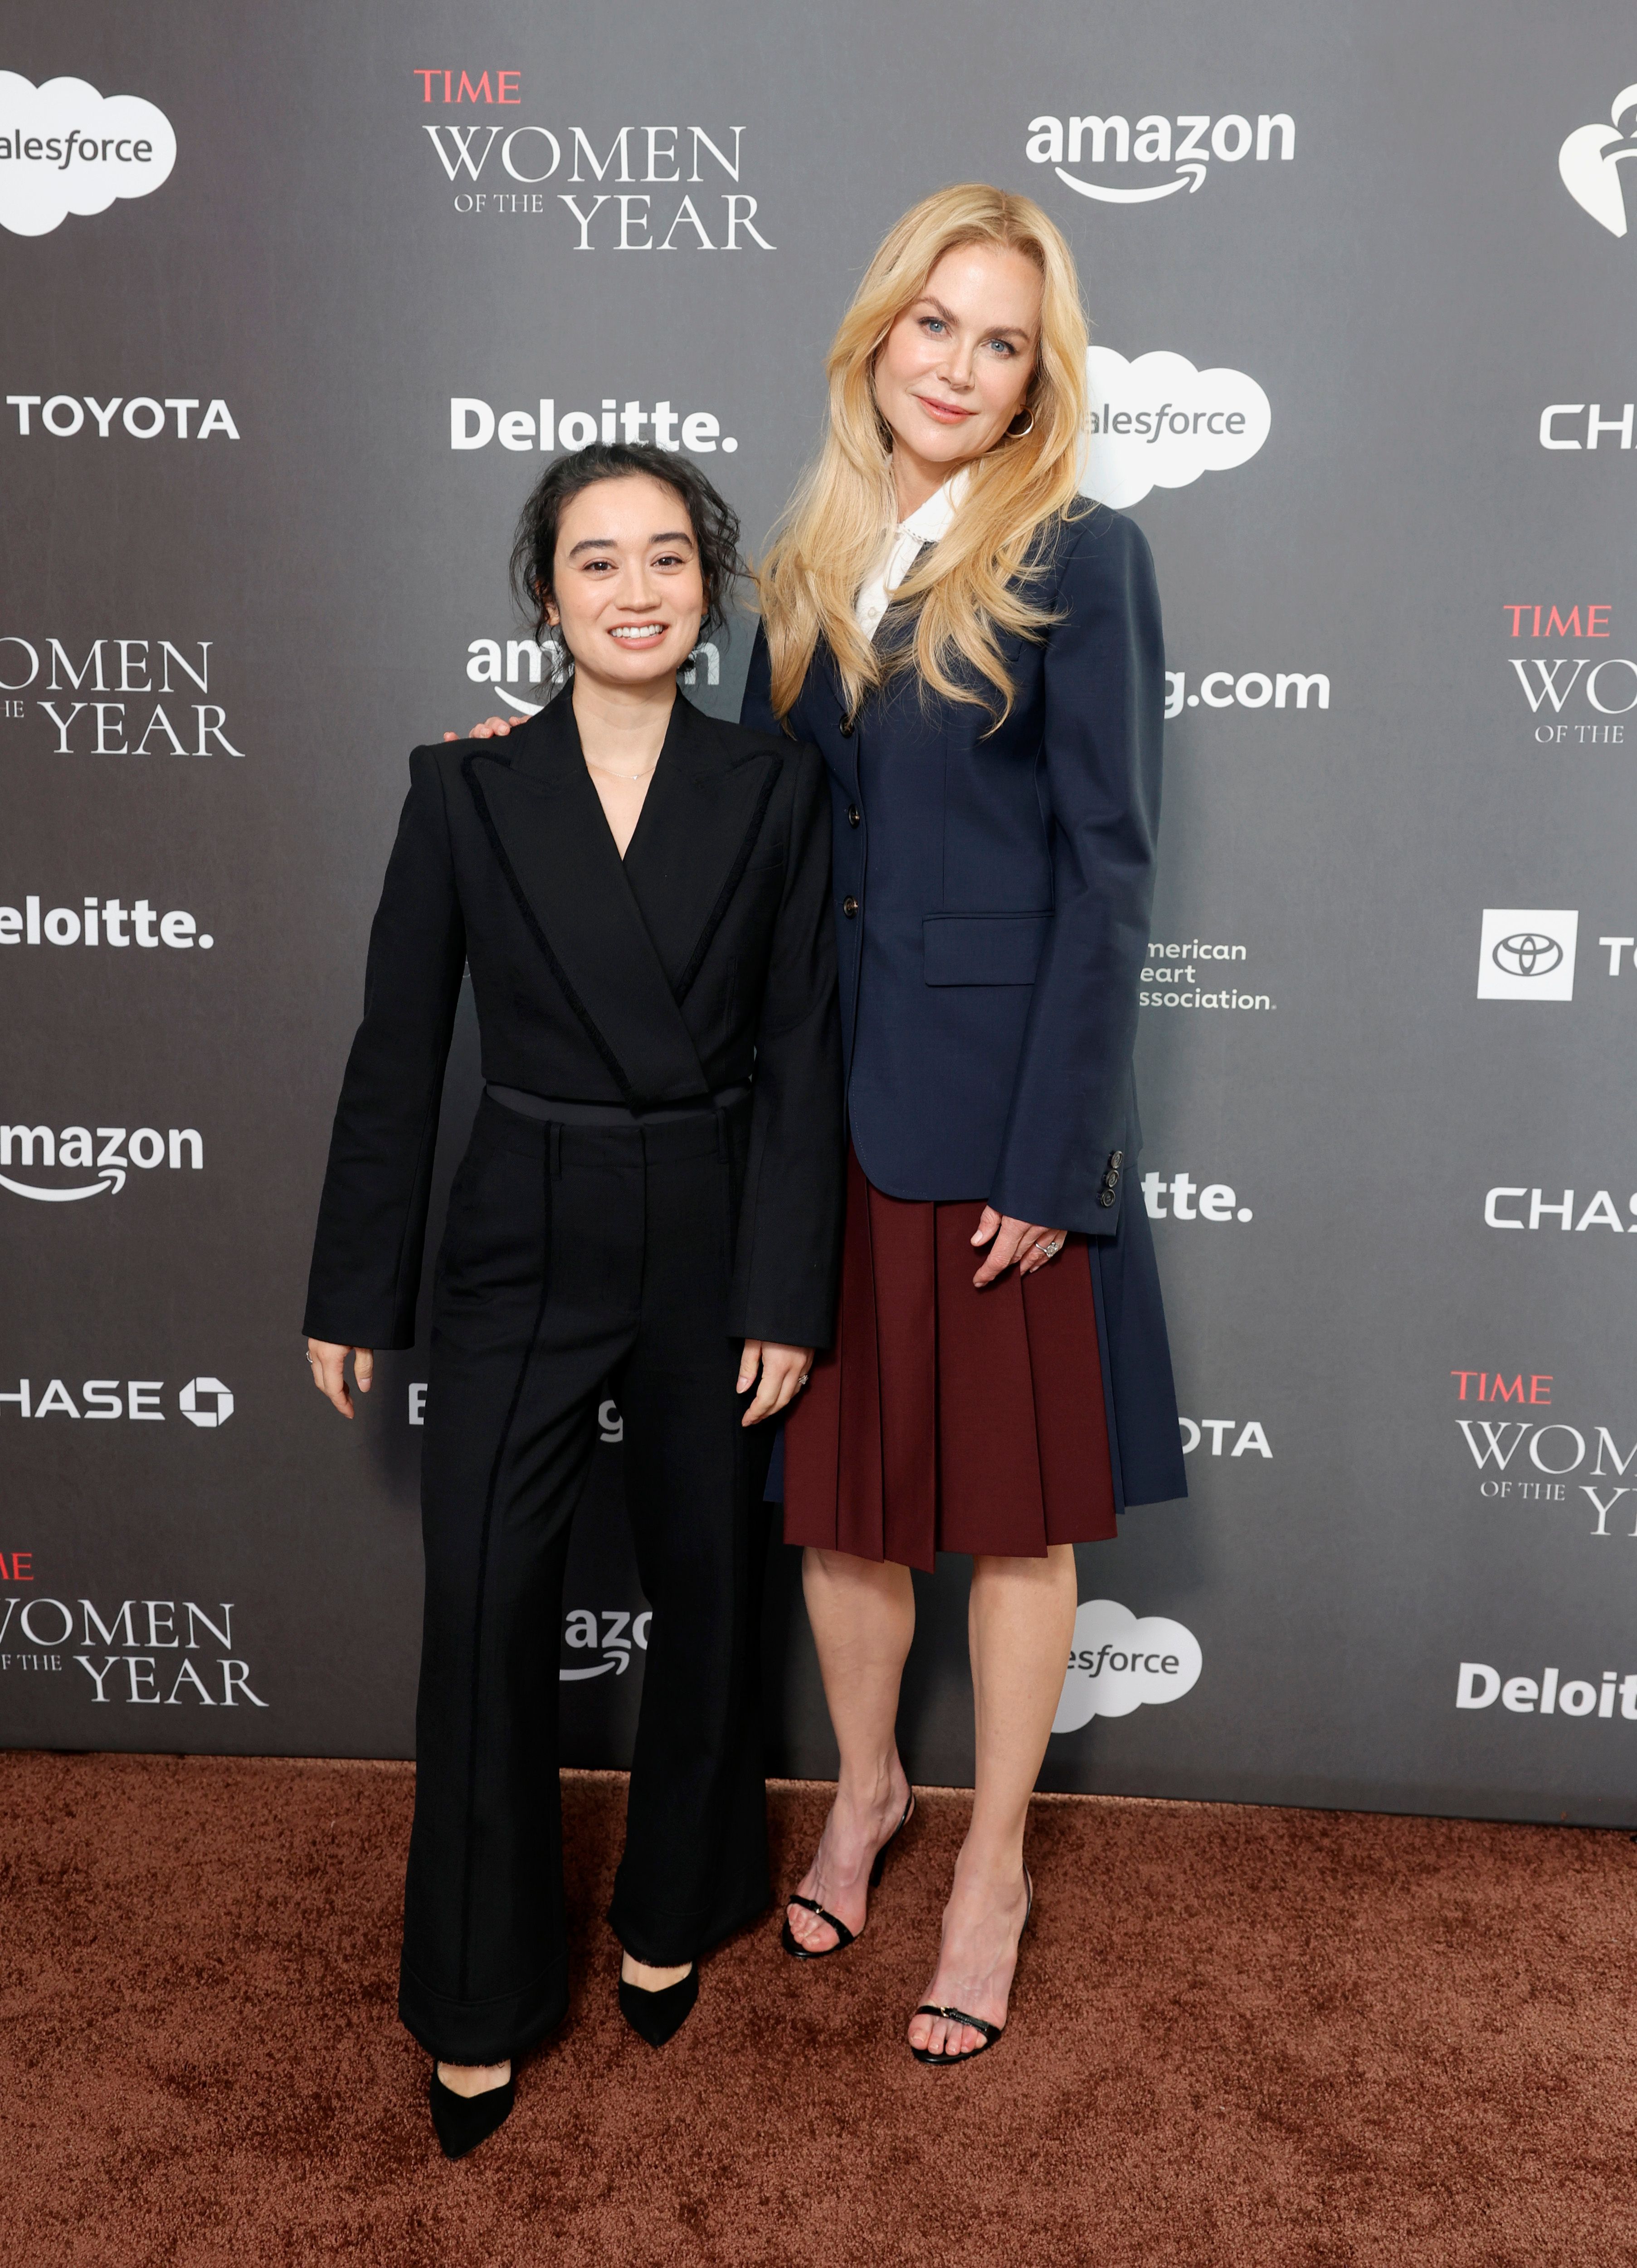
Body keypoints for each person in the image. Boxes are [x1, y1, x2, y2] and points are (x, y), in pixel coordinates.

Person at [303, 443, 843, 2157]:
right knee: (482, 1606)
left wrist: (783, 1283)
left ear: (709, 588)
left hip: (705, 1215)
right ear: (545, 595)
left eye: (668, 559)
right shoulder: (462, 790)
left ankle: (677, 1899)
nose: (635, 590)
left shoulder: (772, 787)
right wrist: (354, 1286)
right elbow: (400, 1050)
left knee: (706, 1582)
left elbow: (808, 1054)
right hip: (516, 1226)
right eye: (595, 561)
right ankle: (474, 1997)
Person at [745, 182, 1186, 2065]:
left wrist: (1054, 1159)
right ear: (879, 335)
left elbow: (1110, 870)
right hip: (824, 1117)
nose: (960, 363)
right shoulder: (814, 556)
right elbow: (753, 825)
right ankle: (868, 1789)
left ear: (1037, 383)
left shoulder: (1085, 555)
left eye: (1002, 341)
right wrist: (552, 753)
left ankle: (993, 1863)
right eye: (937, 323)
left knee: (1010, 1529)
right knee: (841, 1510)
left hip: (999, 1123)